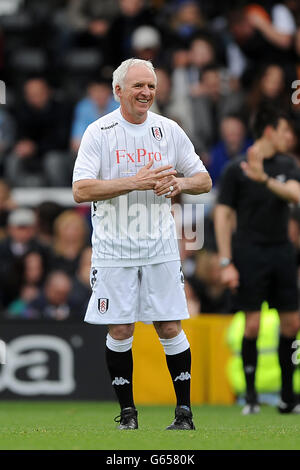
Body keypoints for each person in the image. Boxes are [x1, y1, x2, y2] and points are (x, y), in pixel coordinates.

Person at [72, 58, 212, 430]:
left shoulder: (168, 130)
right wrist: (135, 181)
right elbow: (80, 189)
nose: (146, 92)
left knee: (169, 326)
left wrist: (180, 184)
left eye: (150, 85)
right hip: (113, 249)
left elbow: (204, 179)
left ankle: (184, 413)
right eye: (138, 86)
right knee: (120, 329)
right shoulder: (99, 132)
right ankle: (128, 414)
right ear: (118, 91)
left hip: (160, 247)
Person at [214, 107, 300, 415]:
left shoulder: (287, 164)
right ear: (269, 131)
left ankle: (288, 397)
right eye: (284, 131)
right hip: (249, 253)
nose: (289, 137)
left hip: (282, 251)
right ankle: (250, 397)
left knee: (292, 323)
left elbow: (295, 194)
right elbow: (223, 214)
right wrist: (226, 261)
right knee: (252, 324)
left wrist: (265, 179)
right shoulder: (236, 170)